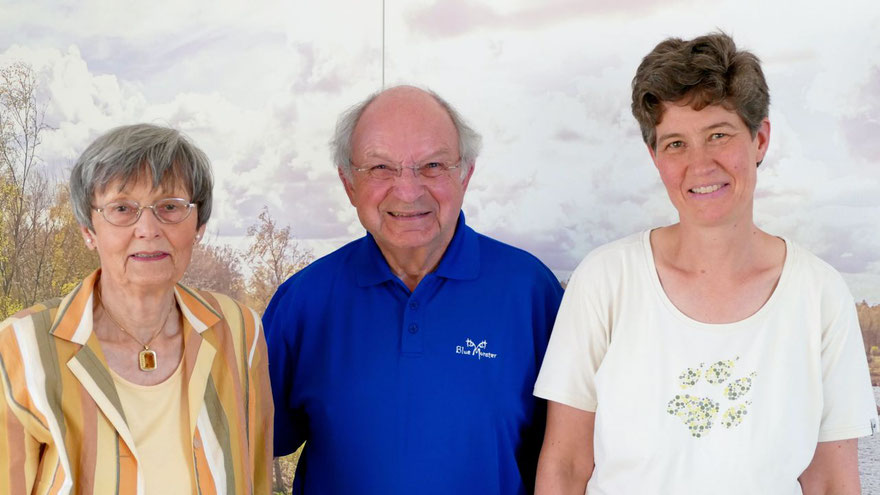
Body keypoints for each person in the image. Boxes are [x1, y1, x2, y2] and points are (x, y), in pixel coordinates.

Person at [534, 33, 878, 494]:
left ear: (760, 139)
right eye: (675, 143)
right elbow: (567, 466)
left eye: (718, 134)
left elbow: (832, 482)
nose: (700, 164)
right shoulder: (604, 282)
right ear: (654, 157)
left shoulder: (820, 295)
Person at [264, 85, 563, 494]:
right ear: (349, 183)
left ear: (466, 174)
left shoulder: (531, 292)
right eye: (380, 168)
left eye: (433, 165)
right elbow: (253, 446)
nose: (407, 190)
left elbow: (567, 459)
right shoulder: (302, 302)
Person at [0, 124, 273, 494]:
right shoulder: (20, 345)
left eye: (170, 207)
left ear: (199, 225)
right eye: (122, 208)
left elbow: (254, 476)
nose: (148, 228)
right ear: (88, 230)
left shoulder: (239, 329)